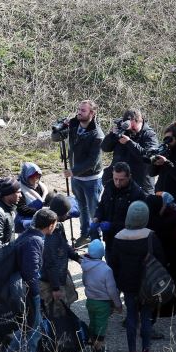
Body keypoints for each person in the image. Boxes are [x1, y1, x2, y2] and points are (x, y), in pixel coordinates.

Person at [107, 201, 166, 352]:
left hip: (128, 285)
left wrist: (119, 282)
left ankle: (132, 351)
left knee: (131, 317)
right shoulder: (151, 236)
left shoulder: (119, 237)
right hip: (148, 286)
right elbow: (161, 259)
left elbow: (113, 263)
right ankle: (146, 351)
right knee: (146, 317)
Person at [8, 208, 58, 352]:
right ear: (50, 226)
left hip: (20, 289)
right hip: (28, 292)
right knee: (33, 330)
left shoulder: (27, 234)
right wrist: (36, 294)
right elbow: (31, 272)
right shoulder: (35, 241)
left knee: (24, 326)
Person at [60, 100, 105, 247]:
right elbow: (57, 139)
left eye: (83, 110)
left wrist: (73, 171)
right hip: (76, 178)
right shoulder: (73, 124)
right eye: (79, 109)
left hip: (91, 179)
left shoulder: (97, 135)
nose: (79, 112)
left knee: (93, 210)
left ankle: (96, 238)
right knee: (81, 207)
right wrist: (58, 129)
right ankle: (84, 234)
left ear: (92, 113)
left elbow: (92, 161)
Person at [40, 194, 81, 318]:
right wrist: (56, 288)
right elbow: (50, 263)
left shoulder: (57, 225)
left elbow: (64, 244)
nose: (68, 215)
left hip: (58, 275)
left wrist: (76, 257)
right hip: (49, 281)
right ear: (60, 214)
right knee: (57, 312)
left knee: (66, 304)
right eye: (66, 213)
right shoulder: (49, 235)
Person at [92, 162, 146, 253]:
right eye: (115, 179)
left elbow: (137, 223)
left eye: (121, 180)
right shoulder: (109, 186)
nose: (117, 182)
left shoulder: (137, 194)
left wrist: (112, 226)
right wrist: (97, 217)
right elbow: (102, 204)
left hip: (126, 240)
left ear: (129, 177)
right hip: (109, 237)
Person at [80, 239, 122, 352]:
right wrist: (118, 304)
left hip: (90, 301)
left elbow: (84, 281)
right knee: (101, 326)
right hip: (103, 303)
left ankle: (91, 341)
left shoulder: (86, 267)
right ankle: (98, 350)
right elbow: (112, 290)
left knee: (93, 322)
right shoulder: (106, 270)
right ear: (102, 253)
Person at [101, 108, 158, 194]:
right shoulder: (122, 130)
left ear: (140, 121)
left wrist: (129, 143)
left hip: (140, 184)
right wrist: (112, 135)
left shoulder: (149, 135)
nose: (131, 130)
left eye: (134, 127)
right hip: (118, 183)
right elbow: (105, 148)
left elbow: (149, 157)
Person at [15, 162, 49, 232]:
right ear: (26, 176)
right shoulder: (19, 188)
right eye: (32, 177)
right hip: (26, 221)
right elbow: (22, 209)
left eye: (37, 177)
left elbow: (45, 199)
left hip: (41, 218)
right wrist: (40, 212)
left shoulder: (41, 186)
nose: (35, 180)